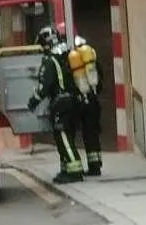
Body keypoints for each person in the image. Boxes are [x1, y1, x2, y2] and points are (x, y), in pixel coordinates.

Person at [27, 25, 84, 184]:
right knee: (68, 136)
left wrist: (33, 101)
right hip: (74, 100)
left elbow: (45, 85)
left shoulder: (50, 59)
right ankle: (66, 170)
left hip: (61, 102)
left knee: (63, 136)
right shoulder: (68, 54)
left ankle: (75, 171)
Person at [71, 35, 105, 176]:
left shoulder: (76, 62)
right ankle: (96, 163)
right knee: (94, 134)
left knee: (88, 134)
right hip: (94, 100)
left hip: (84, 101)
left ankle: (93, 167)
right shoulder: (93, 62)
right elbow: (100, 79)